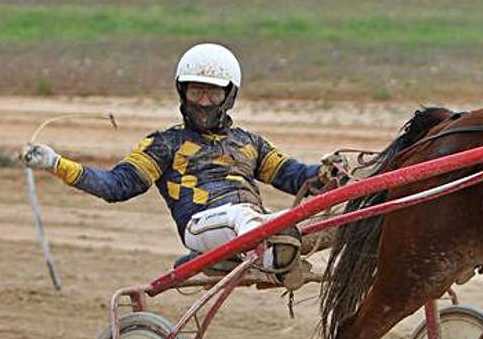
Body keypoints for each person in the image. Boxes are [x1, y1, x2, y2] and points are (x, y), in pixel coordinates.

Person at [22, 42, 345, 278]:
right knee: (247, 216)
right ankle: (275, 261)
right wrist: (55, 163)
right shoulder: (164, 144)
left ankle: (270, 252)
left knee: (331, 217)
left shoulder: (249, 143)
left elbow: (296, 177)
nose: (203, 102)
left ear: (228, 97)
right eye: (196, 92)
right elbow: (116, 186)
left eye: (212, 94)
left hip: (251, 227)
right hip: (202, 224)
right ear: (182, 93)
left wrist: (331, 175)